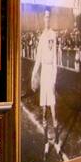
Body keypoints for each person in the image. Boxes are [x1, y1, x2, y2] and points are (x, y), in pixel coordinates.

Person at [31, 9, 58, 148]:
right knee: (43, 108)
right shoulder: (41, 37)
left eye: (49, 16)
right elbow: (38, 60)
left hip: (50, 71)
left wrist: (54, 78)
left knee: (52, 106)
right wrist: (32, 76)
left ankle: (56, 132)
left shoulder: (53, 35)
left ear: (50, 18)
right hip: (43, 73)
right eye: (45, 17)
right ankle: (45, 139)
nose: (47, 19)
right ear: (43, 19)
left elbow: (55, 59)